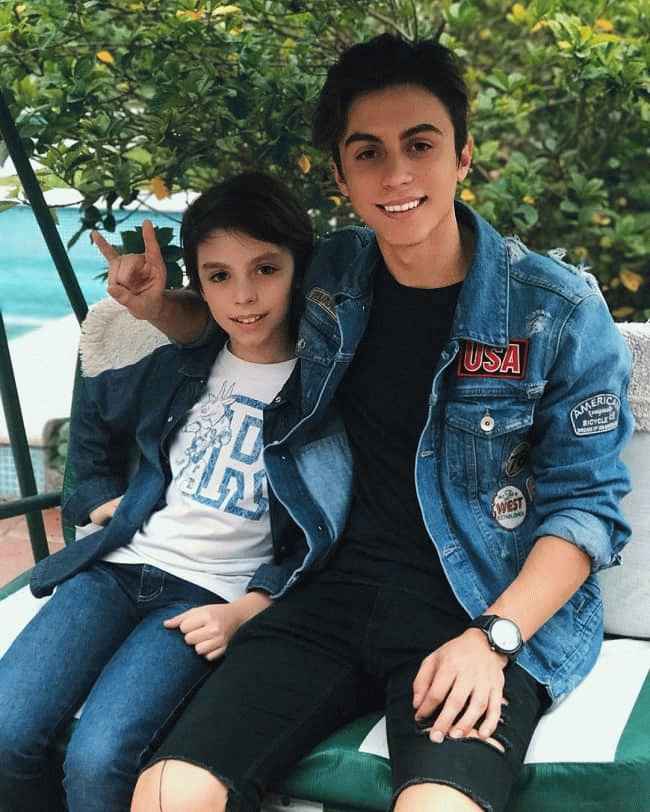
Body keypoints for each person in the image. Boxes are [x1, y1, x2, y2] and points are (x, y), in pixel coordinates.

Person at [127, 35, 632, 812]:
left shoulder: (555, 310)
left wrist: (494, 640)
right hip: (327, 596)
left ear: (463, 156)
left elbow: (586, 507)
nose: (396, 175)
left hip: (476, 606)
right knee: (168, 794)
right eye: (369, 153)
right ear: (341, 175)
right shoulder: (332, 274)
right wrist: (159, 305)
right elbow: (240, 316)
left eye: (420, 145)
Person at [0, 172, 313, 812]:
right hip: (116, 567)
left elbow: (330, 531)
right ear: (199, 283)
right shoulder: (182, 363)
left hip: (208, 595)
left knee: (100, 759)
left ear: (298, 269)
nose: (244, 296)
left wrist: (250, 608)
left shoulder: (325, 387)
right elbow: (96, 418)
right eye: (219, 276)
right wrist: (100, 499)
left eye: (265, 269)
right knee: (5, 730)